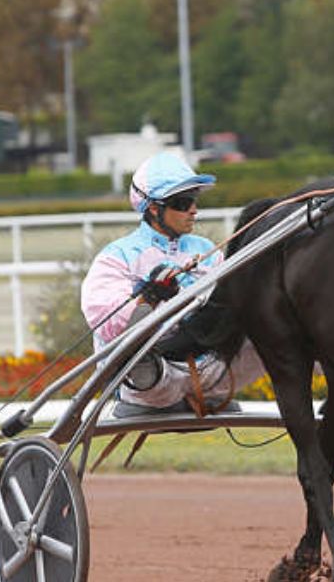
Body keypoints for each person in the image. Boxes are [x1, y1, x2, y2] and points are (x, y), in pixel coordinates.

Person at [80, 152, 240, 418]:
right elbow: (105, 323)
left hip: (203, 366)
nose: (194, 210)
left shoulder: (207, 251)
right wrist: (147, 298)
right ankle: (149, 379)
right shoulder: (117, 256)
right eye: (183, 202)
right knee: (141, 358)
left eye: (194, 200)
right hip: (151, 376)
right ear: (154, 208)